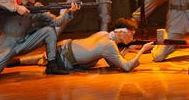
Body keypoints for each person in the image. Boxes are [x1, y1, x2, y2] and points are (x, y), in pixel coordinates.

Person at [0, 0, 80, 82]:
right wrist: (16, 8)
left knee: (49, 31)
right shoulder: (10, 0)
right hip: (5, 45)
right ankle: (1, 61)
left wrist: (69, 12)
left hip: (24, 42)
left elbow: (56, 22)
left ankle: (52, 65)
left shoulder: (36, 7)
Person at [11, 18, 155, 72]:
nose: (132, 37)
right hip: (65, 59)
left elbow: (113, 62)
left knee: (44, 57)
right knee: (91, 62)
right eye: (130, 34)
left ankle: (19, 61)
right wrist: (142, 50)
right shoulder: (109, 45)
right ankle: (20, 61)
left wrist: (126, 49)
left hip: (63, 47)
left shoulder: (103, 34)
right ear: (121, 32)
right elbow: (126, 67)